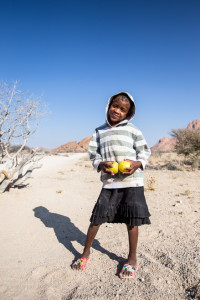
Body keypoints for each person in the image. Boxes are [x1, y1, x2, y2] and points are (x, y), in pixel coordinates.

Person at [72, 92, 151, 278]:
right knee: (96, 219)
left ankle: (132, 259)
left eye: (123, 109)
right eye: (115, 106)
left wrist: (137, 164)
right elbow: (94, 154)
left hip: (132, 182)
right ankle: (85, 253)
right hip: (109, 183)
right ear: (109, 106)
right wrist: (101, 165)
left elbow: (144, 152)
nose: (117, 111)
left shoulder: (133, 130)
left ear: (128, 113)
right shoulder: (99, 131)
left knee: (132, 221)